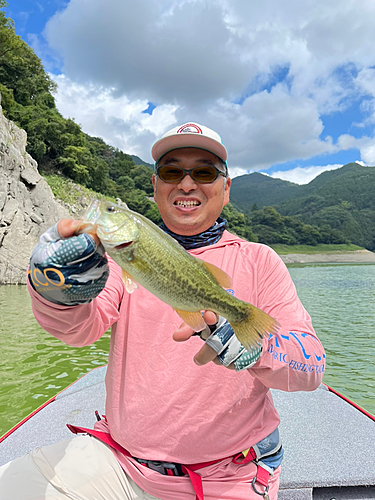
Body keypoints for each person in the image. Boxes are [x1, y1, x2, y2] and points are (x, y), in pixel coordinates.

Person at [0, 122, 326, 500]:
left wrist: (258, 349)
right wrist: (56, 290)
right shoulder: (120, 261)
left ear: (226, 188)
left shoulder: (260, 261)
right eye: (172, 171)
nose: (186, 184)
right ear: (155, 187)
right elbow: (79, 331)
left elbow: (312, 366)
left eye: (204, 172)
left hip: (231, 476)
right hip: (119, 463)